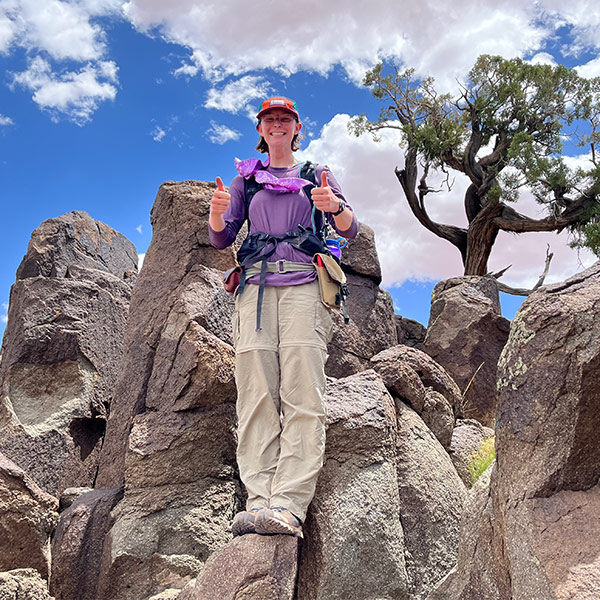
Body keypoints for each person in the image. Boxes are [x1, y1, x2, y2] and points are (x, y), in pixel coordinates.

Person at [208, 96, 359, 538]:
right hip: (254, 290)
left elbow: (350, 228)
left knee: (301, 395)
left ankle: (289, 505)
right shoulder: (245, 182)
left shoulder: (316, 175)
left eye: (285, 119)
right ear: (261, 129)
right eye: (270, 119)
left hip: (304, 291)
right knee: (255, 396)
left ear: (297, 128)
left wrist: (333, 206)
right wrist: (217, 215)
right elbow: (222, 240)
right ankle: (259, 502)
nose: (277, 124)